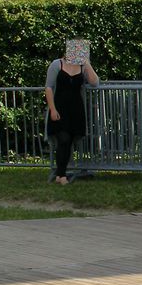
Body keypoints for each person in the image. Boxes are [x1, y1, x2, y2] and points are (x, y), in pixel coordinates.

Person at [45, 40, 99, 184]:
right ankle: (61, 175)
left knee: (69, 141)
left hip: (76, 110)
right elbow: (49, 87)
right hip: (60, 108)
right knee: (63, 139)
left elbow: (95, 82)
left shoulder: (82, 67)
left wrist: (87, 63)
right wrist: (52, 109)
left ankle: (59, 175)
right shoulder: (57, 64)